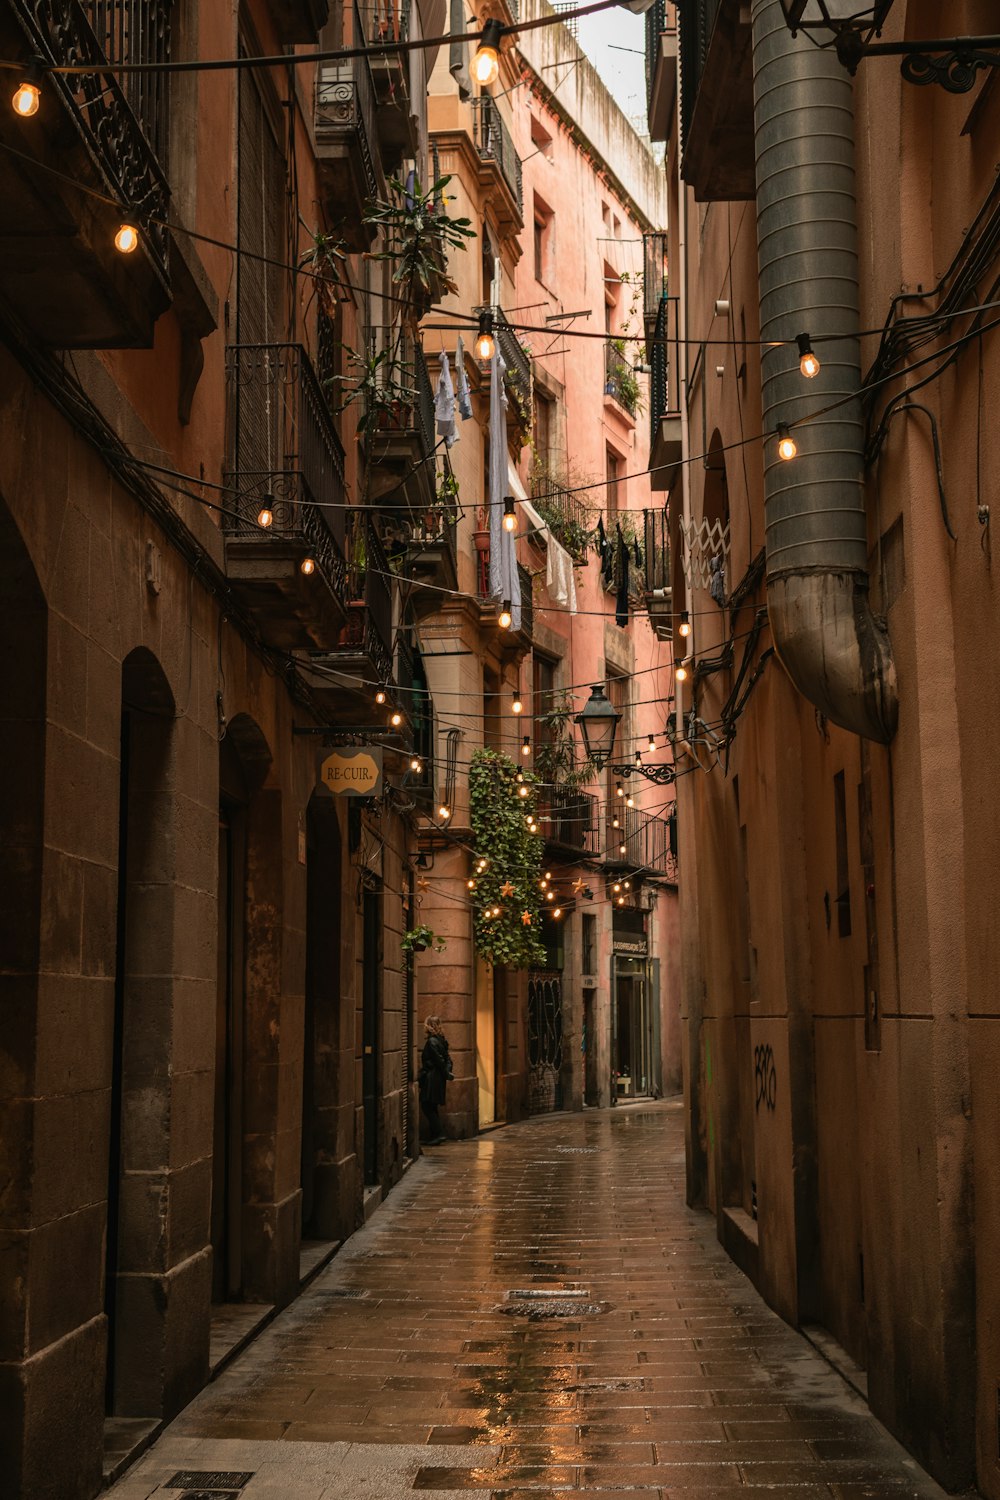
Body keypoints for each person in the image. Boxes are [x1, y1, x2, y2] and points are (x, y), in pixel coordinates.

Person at [419, 1015, 452, 1145]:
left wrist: (445, 1071)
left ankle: (439, 1133)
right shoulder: (441, 1040)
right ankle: (435, 1135)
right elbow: (448, 1059)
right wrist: (447, 1073)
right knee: (432, 1106)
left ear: (429, 1026)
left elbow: (440, 1061)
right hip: (438, 1078)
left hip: (432, 1078)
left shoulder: (432, 1042)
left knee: (426, 1106)